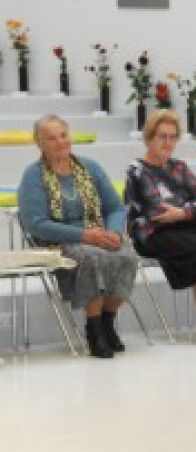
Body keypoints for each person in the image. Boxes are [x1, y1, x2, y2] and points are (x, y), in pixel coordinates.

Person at [17, 114, 139, 358]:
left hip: (98, 233)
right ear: (39, 143)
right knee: (92, 257)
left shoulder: (91, 167)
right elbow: (36, 223)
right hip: (56, 240)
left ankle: (107, 321)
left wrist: (114, 232)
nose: (60, 142)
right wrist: (83, 235)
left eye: (63, 135)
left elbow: (115, 207)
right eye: (52, 138)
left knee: (127, 256)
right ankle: (94, 329)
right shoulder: (33, 176)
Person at [125, 109, 196, 348]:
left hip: (186, 226)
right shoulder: (137, 170)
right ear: (149, 138)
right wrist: (190, 210)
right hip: (153, 233)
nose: (168, 142)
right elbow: (156, 210)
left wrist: (181, 212)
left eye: (172, 137)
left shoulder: (179, 167)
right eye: (162, 136)